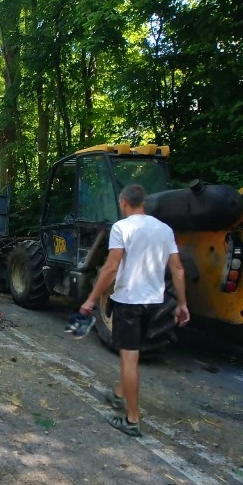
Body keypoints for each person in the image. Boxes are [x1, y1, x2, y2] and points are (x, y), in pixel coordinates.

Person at [80, 184, 190, 438]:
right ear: (144, 203)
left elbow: (110, 267)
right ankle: (119, 394)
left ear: (123, 202)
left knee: (129, 359)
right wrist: (182, 304)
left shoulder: (122, 228)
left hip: (129, 302)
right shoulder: (164, 229)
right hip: (156, 302)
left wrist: (92, 299)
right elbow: (178, 269)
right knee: (133, 355)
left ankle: (131, 420)